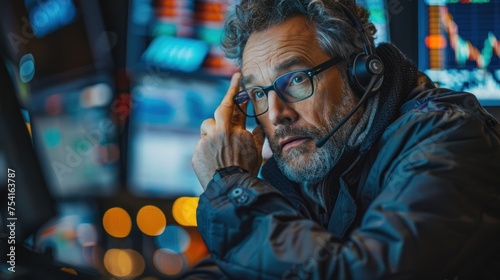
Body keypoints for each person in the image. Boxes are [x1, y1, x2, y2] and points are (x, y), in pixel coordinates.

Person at [189, 0, 500, 279]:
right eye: (258, 93)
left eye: (297, 79)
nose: (275, 114)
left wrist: (231, 189)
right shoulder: (310, 173)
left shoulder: (447, 139)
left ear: (360, 72)